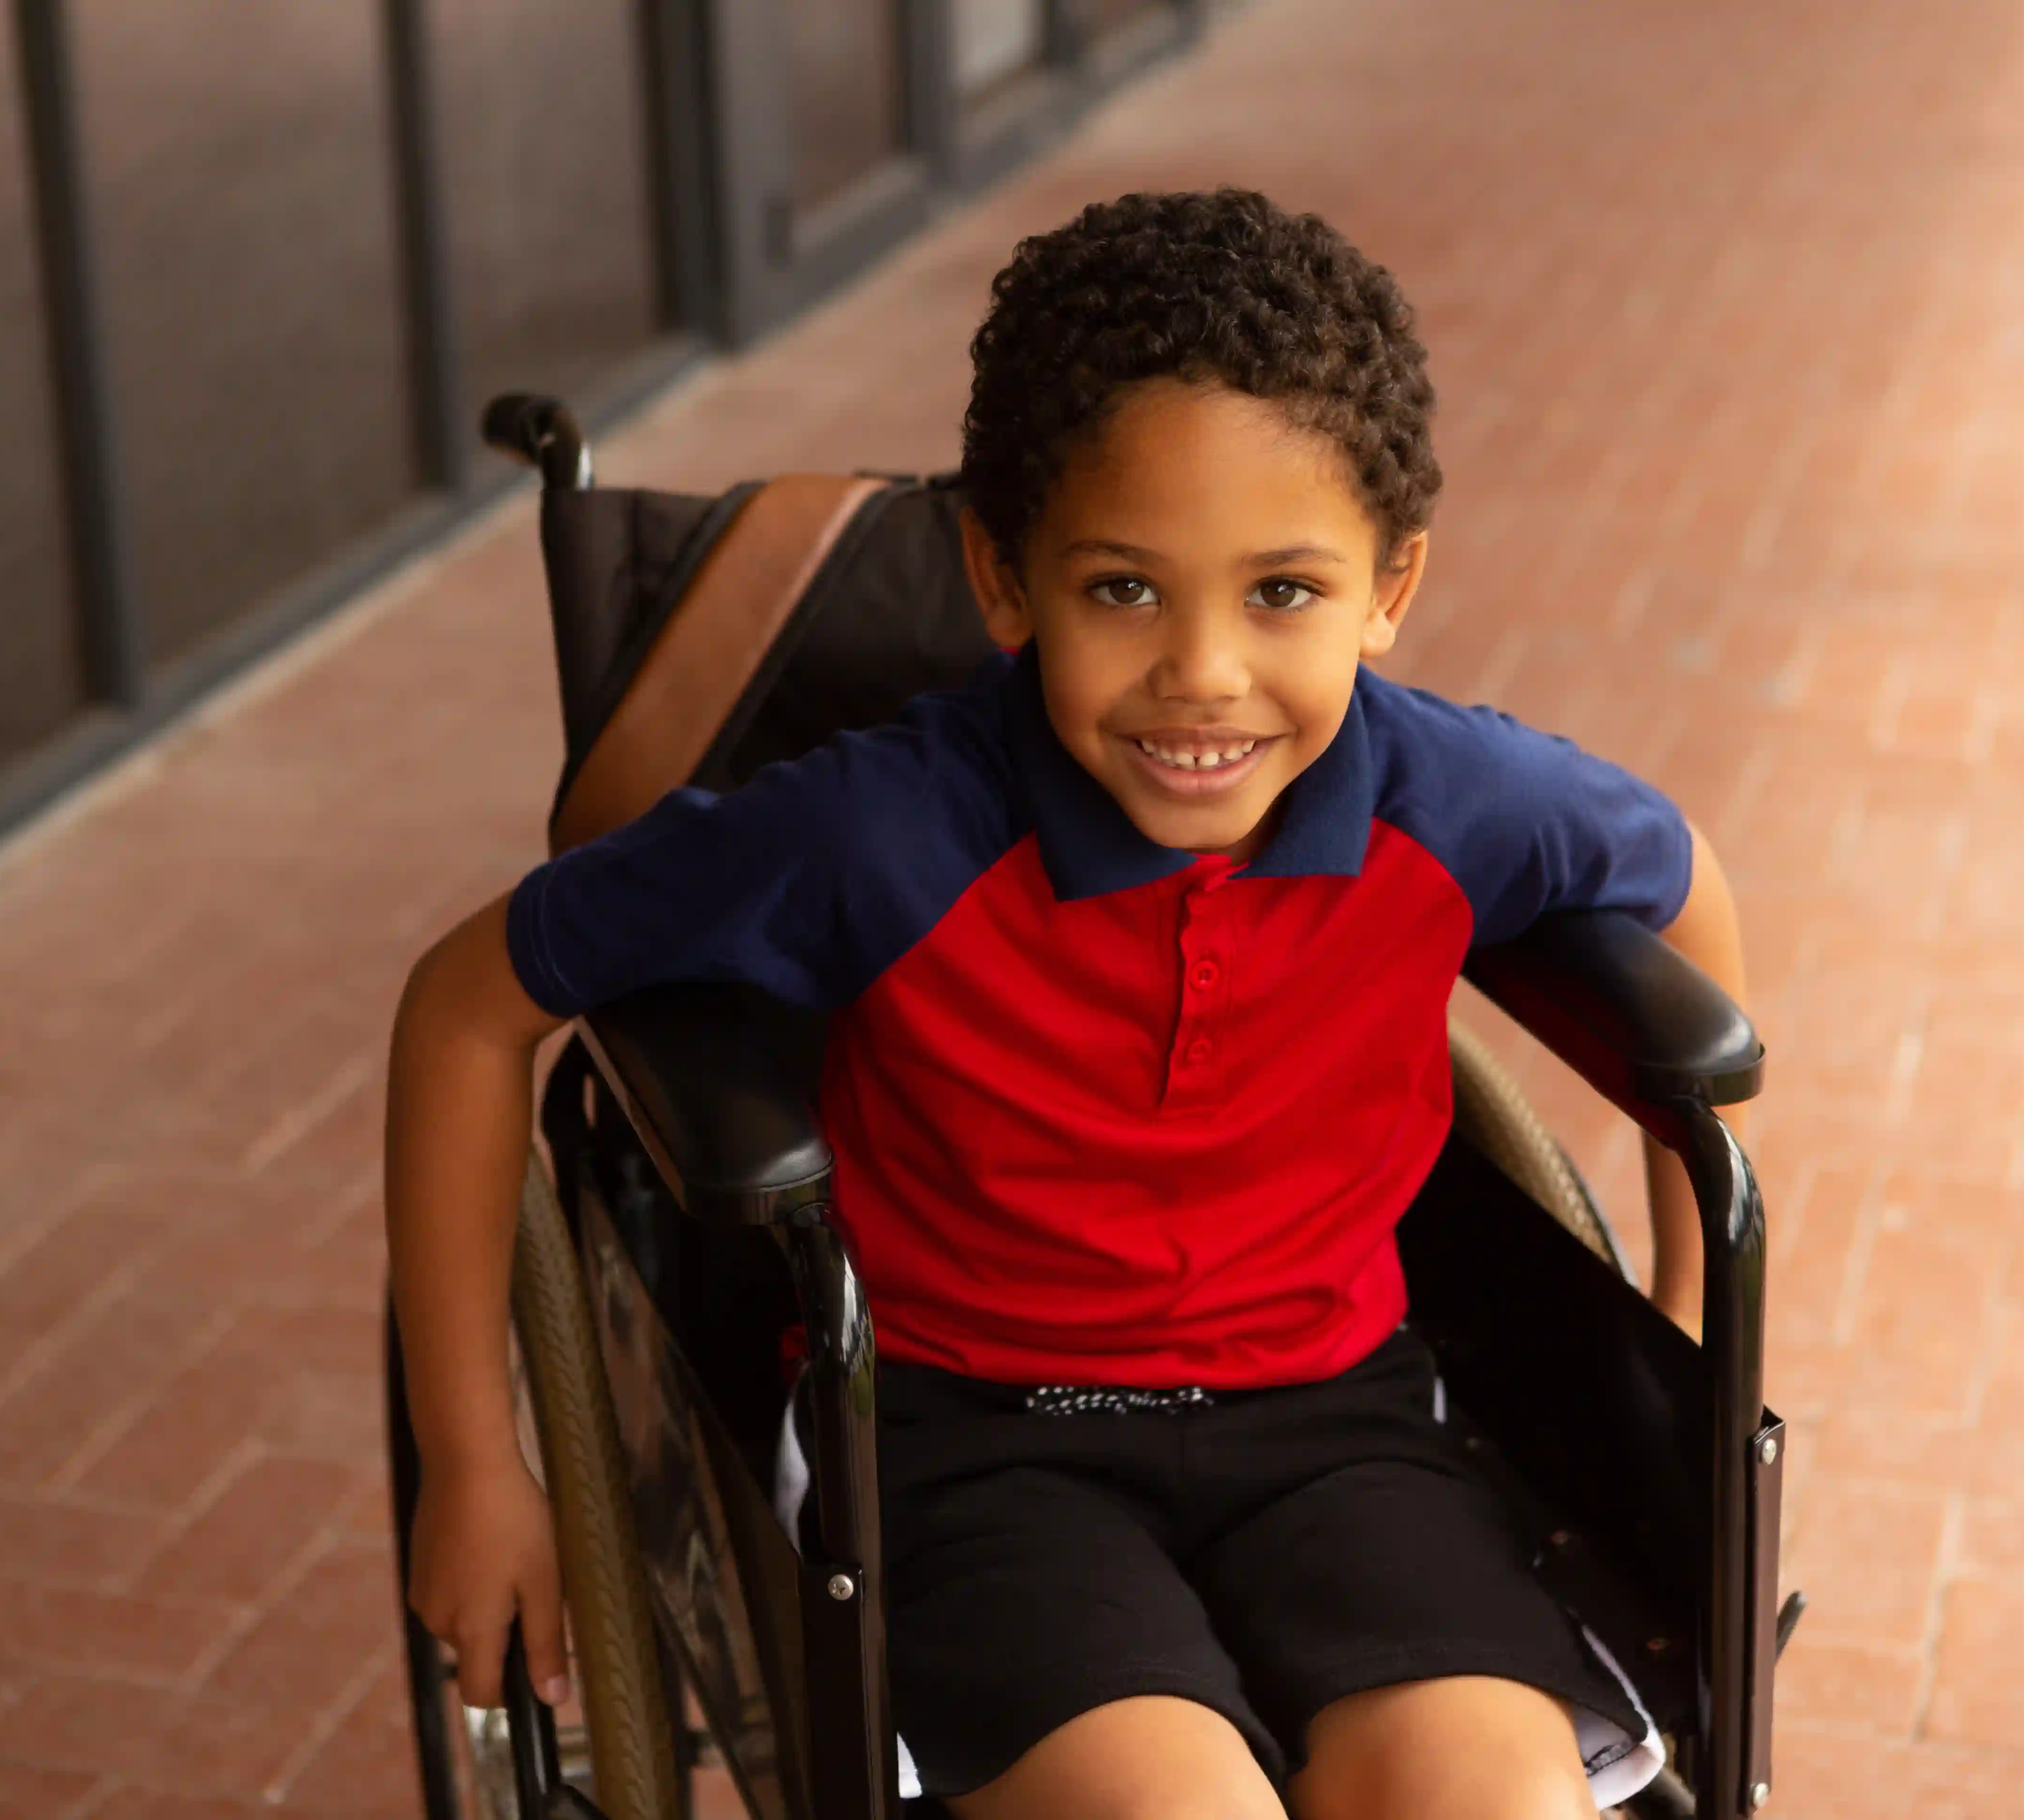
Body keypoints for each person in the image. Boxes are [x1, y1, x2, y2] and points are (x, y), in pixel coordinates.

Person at [387, 188, 1749, 1820]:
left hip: (1338, 1419)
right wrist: (478, 1461)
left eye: (1283, 594)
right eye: (1124, 590)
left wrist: (1678, 1294)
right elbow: (469, 1008)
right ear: (1002, 575)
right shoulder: (876, 834)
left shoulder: (1448, 801)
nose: (1203, 673)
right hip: (975, 1446)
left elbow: (1684, 888)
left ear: (1392, 589)